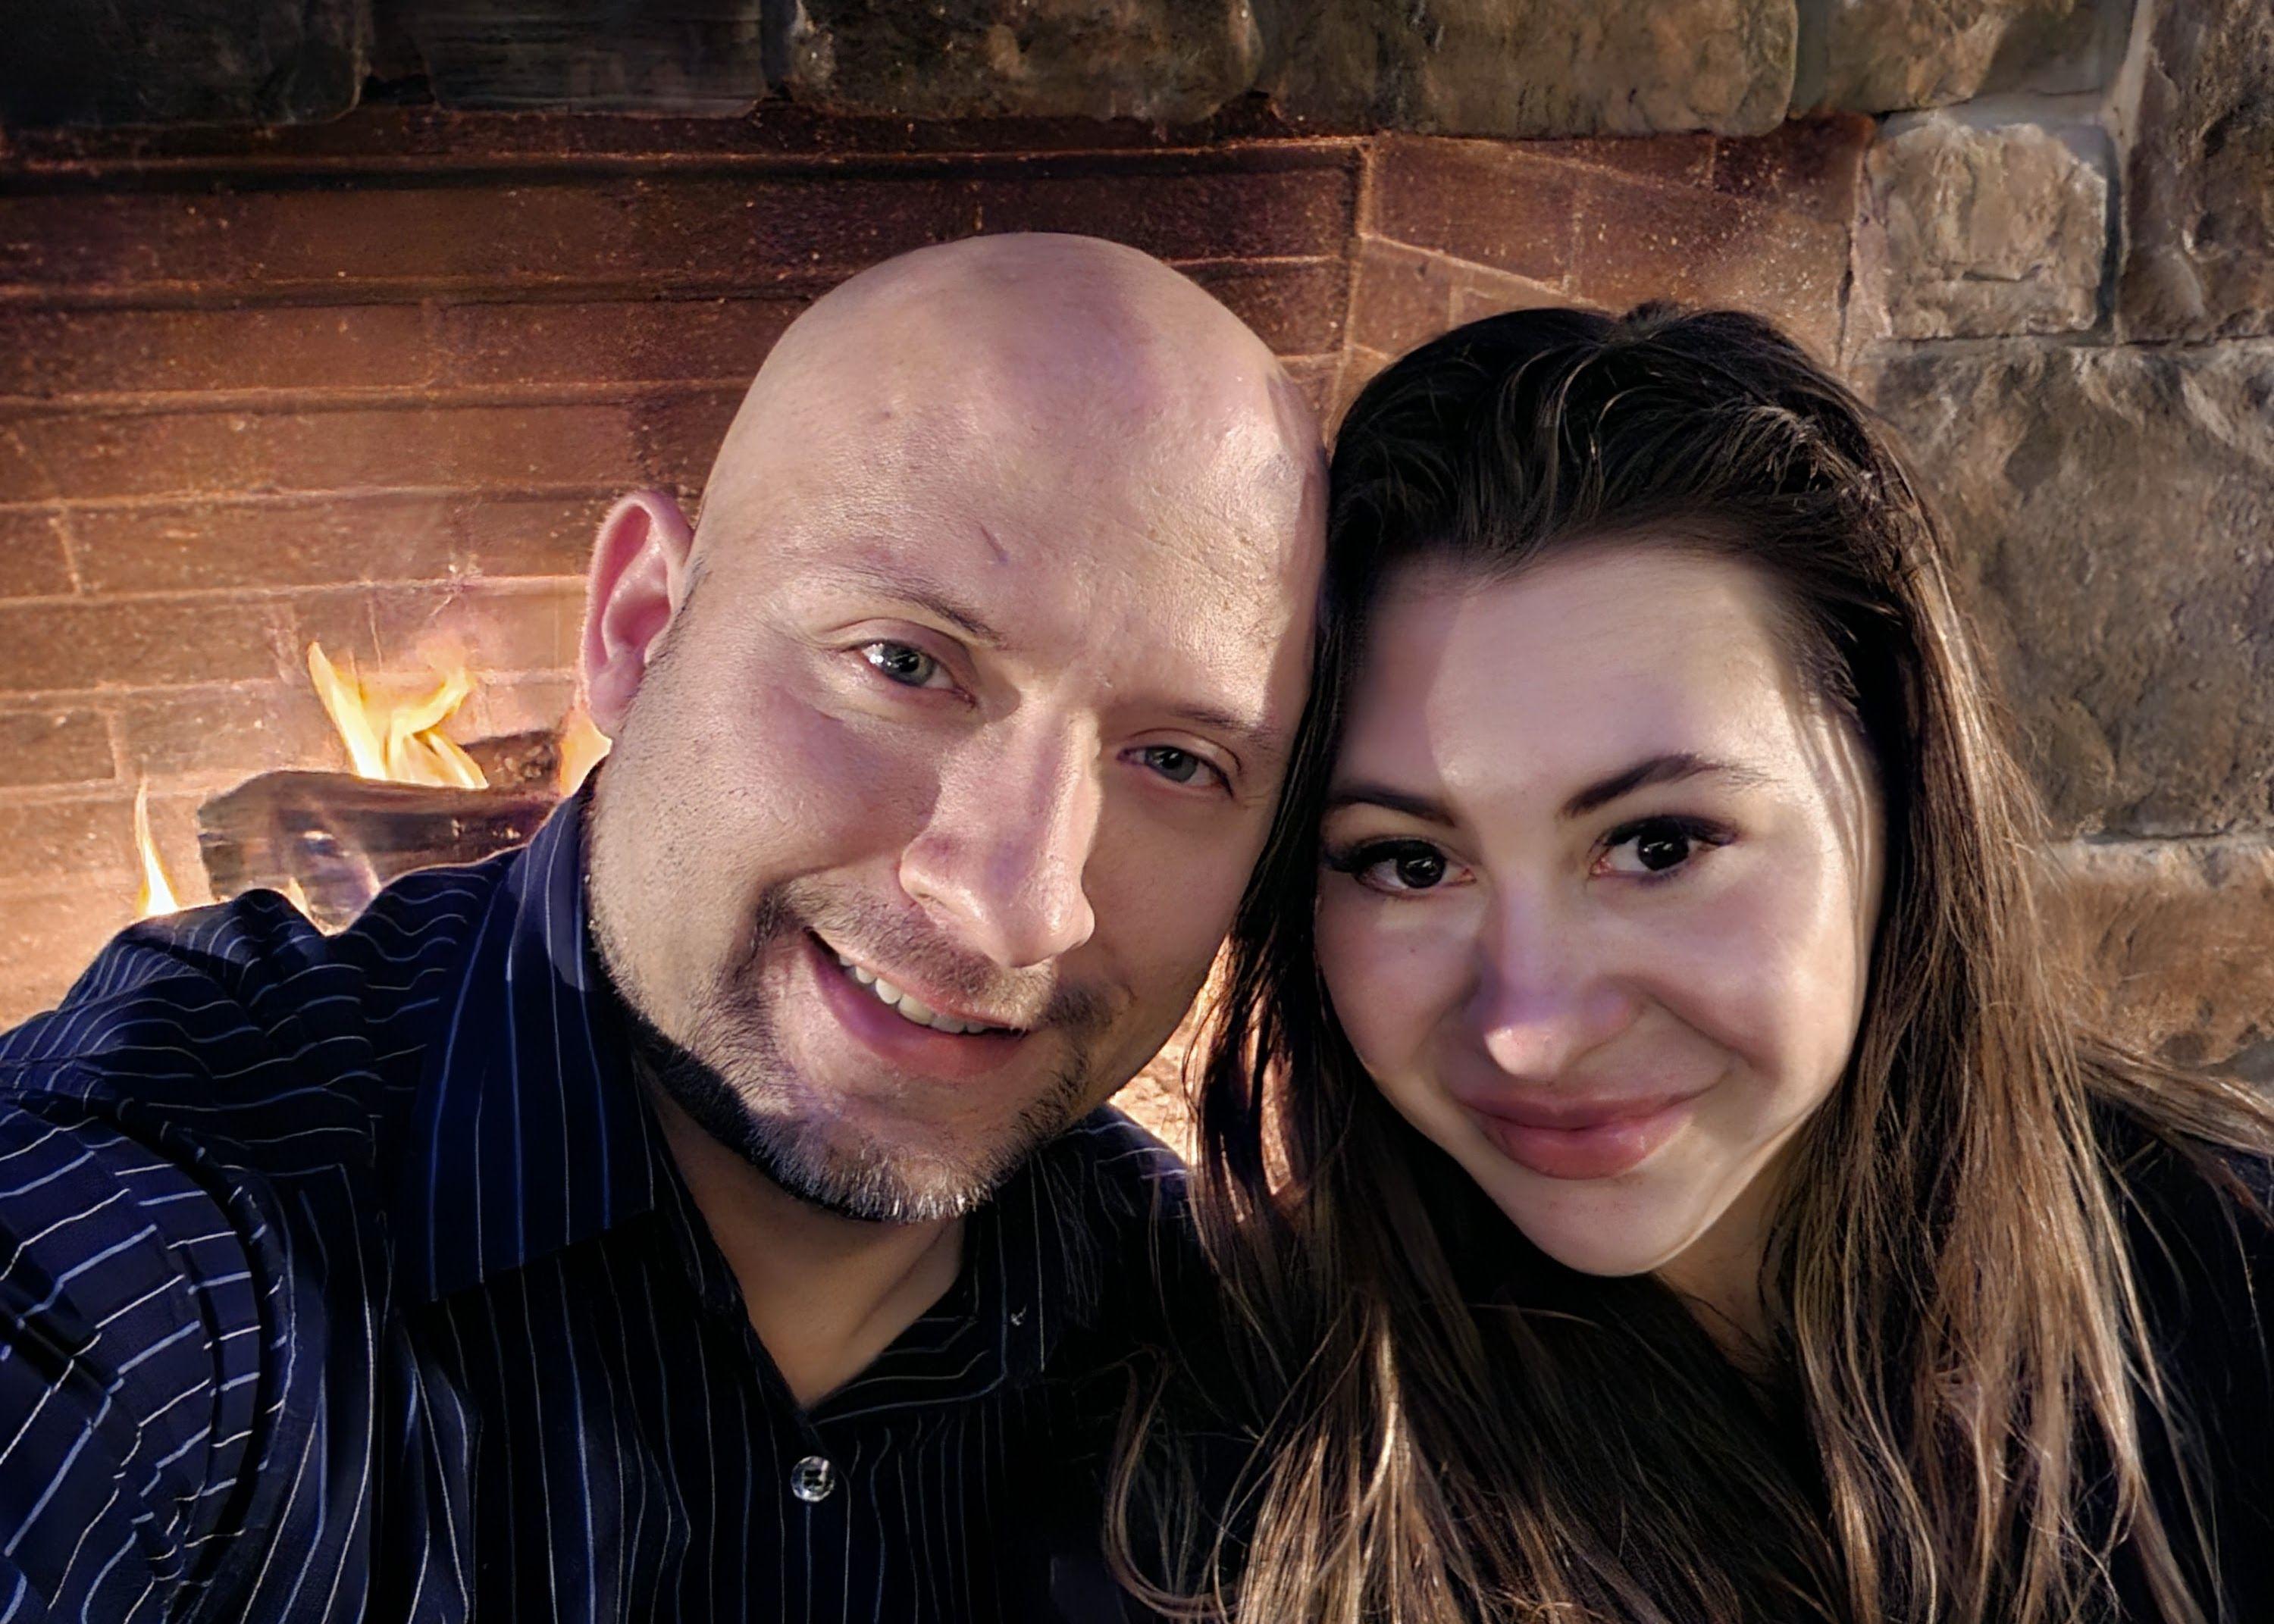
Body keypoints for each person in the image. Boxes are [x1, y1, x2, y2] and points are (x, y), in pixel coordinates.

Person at [0, 233, 1326, 1622]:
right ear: (638, 630)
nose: (1018, 905)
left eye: (1177, 761)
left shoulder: (1202, 1349)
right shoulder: (172, 1240)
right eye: (904, 663)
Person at [1116, 305, 2274, 1623]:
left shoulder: (2237, 1295)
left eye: (1658, 845)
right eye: (1409, 863)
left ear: (1901, 786)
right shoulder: (1222, 1468)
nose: (1533, 1030)